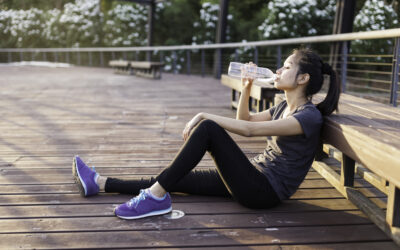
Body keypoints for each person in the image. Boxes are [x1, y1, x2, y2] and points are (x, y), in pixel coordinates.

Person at [72, 47, 340, 220]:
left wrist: (204, 115)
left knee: (209, 129)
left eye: (287, 66)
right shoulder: (283, 105)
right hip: (252, 176)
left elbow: (248, 130)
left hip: (264, 192)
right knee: (174, 179)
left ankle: (154, 198)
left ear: (303, 78)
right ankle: (101, 182)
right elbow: (244, 118)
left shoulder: (307, 116)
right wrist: (247, 86)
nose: (279, 70)